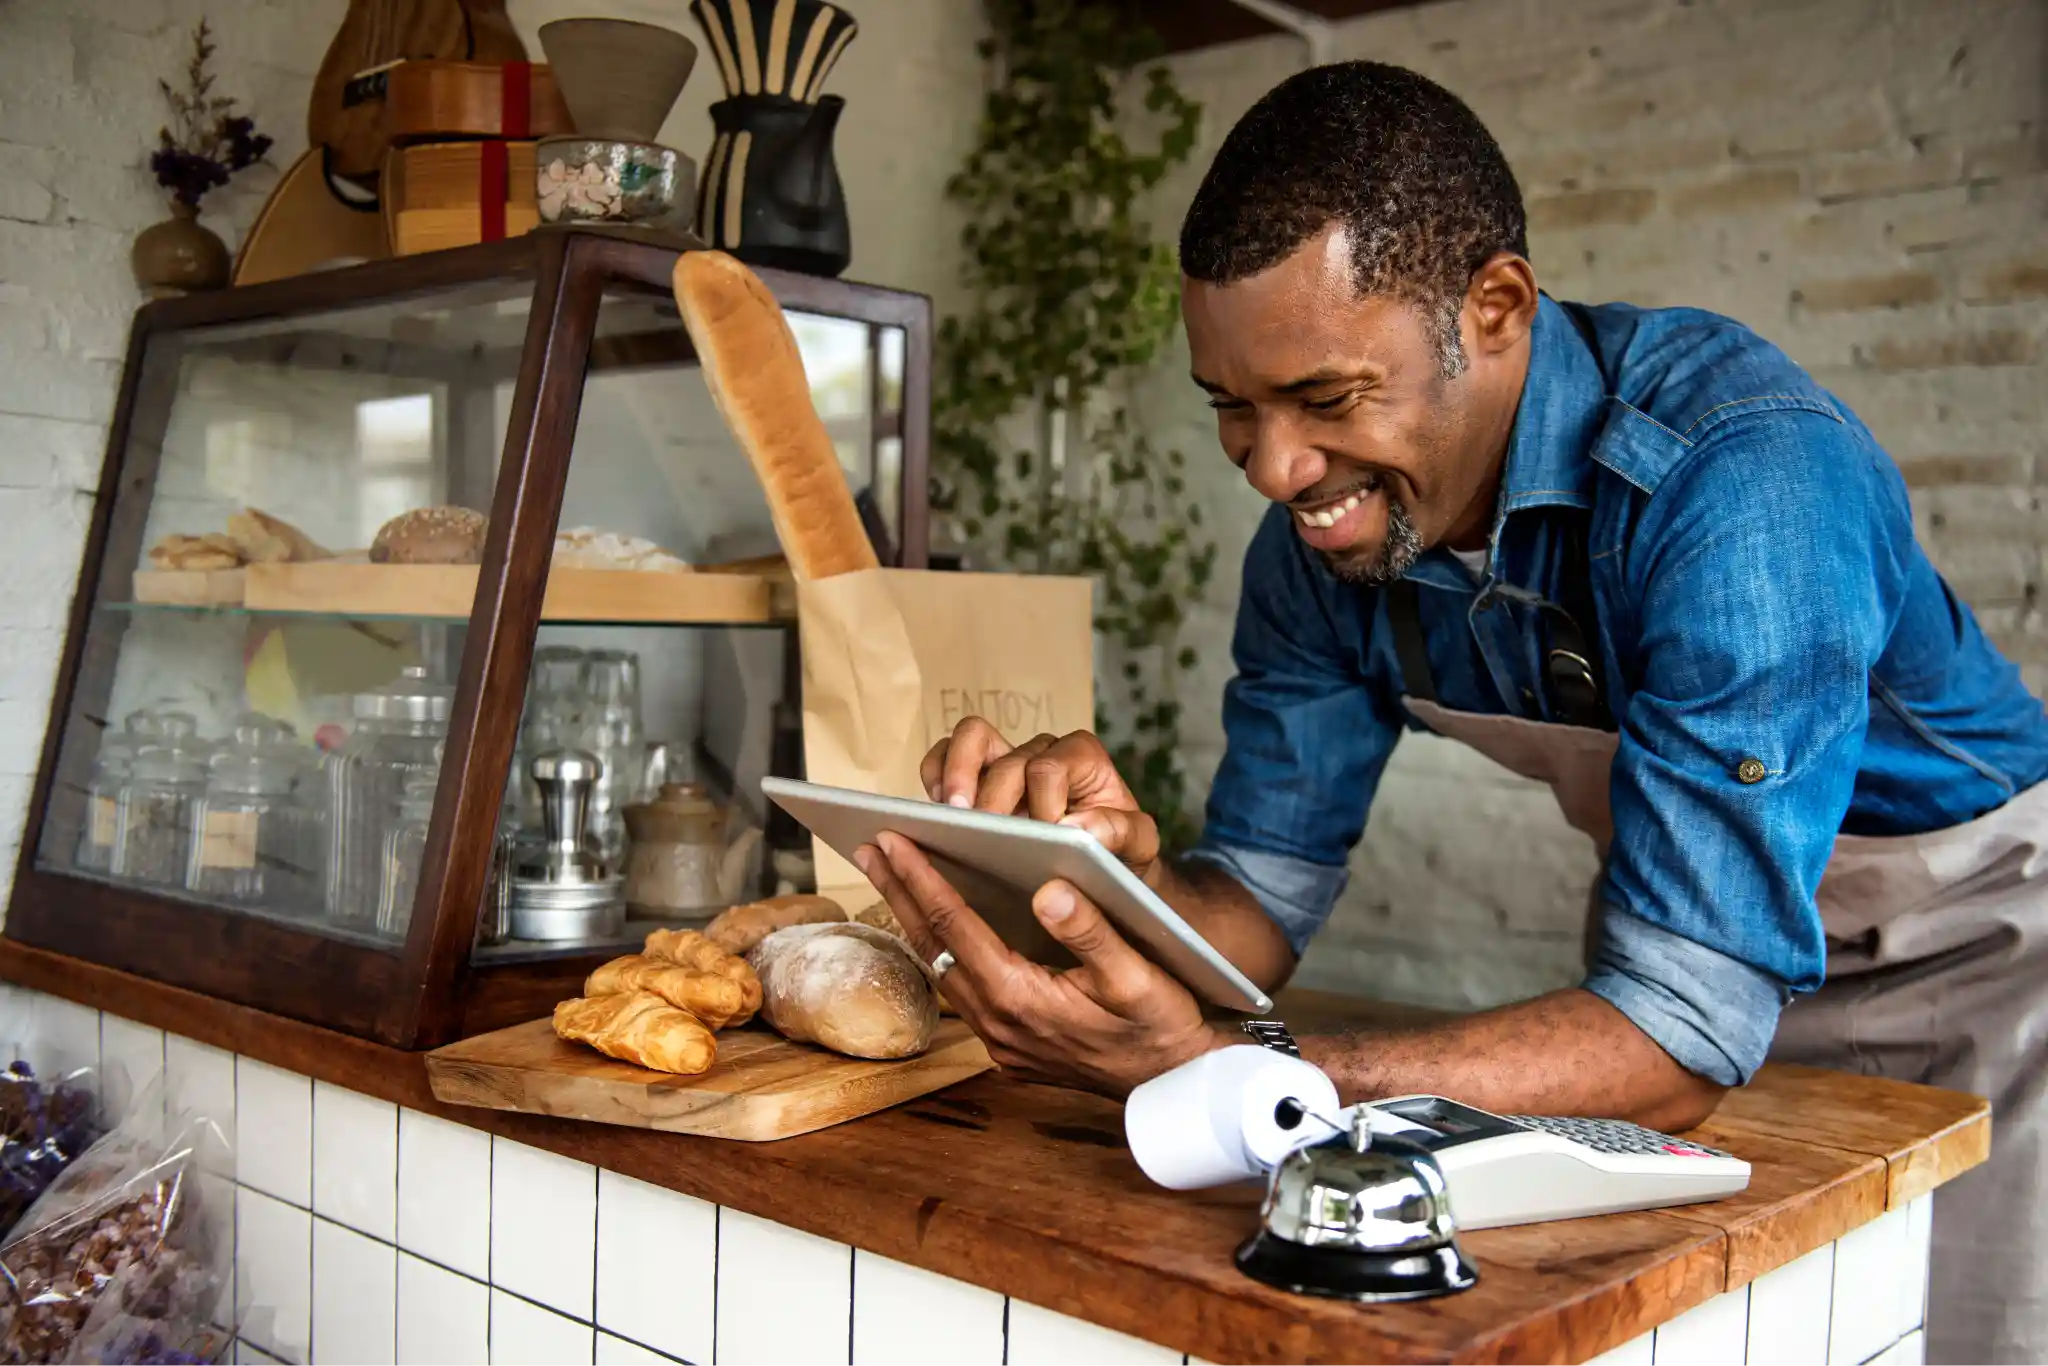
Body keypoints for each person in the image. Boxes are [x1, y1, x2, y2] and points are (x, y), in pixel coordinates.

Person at [850, 61, 2048, 1363]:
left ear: (1495, 309)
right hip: (1699, 977)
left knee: (1971, 1334)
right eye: (1233, 411)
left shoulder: (1741, 479)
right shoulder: (1319, 541)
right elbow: (1253, 902)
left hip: (1985, 949)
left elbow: (1683, 1024)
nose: (1278, 469)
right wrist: (1103, 891)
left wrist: (1261, 1076)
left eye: (1325, 399)